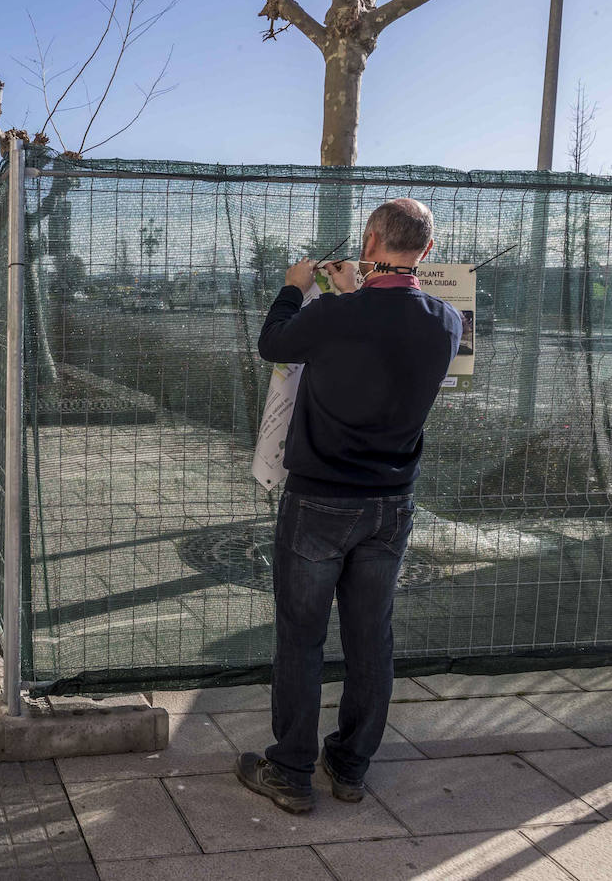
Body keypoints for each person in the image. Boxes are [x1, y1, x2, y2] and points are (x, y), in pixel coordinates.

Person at [238, 199, 462, 815]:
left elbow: (273, 343)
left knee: (301, 637)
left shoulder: (336, 316)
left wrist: (296, 288)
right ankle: (350, 764)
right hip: (391, 505)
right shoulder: (447, 321)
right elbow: (384, 335)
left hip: (320, 502)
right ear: (428, 251)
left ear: (370, 241)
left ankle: (289, 770)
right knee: (371, 638)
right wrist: (349, 292)